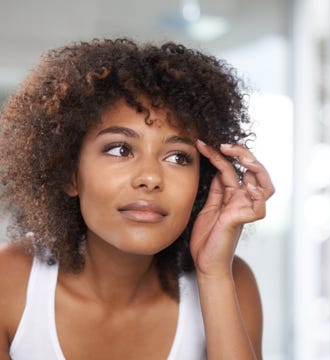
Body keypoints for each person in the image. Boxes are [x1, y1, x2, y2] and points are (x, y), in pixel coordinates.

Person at [0, 38, 274, 360]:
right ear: (69, 173)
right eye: (120, 149)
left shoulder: (230, 281)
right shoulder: (10, 279)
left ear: (203, 182)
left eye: (177, 157)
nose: (150, 178)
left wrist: (213, 276)